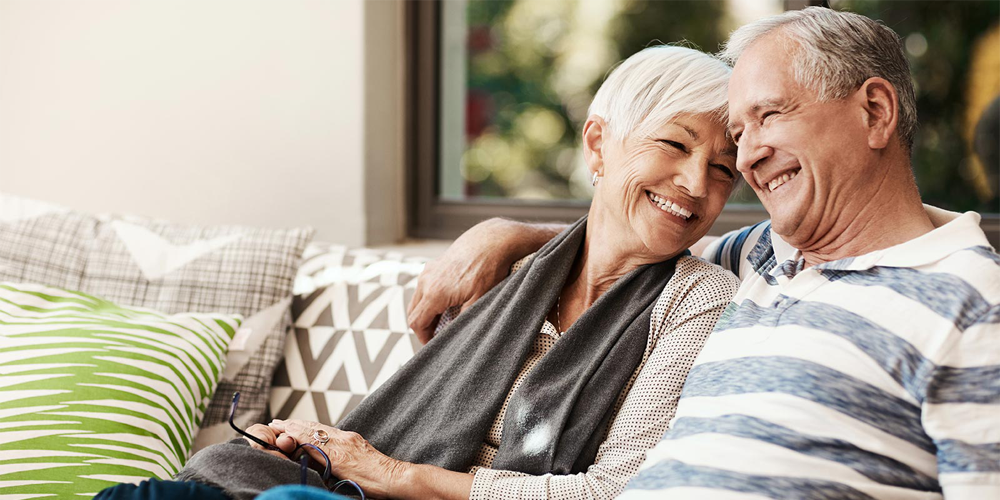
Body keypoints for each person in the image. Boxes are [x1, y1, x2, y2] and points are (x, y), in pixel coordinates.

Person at [97, 45, 742, 500]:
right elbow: (417, 423)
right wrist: (315, 448)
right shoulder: (507, 269)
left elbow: (613, 492)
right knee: (191, 480)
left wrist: (383, 473)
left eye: (723, 169)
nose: (694, 184)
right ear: (599, 144)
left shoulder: (702, 302)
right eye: (674, 144)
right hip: (351, 489)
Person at [409, 7, 1000, 500]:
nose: (745, 161)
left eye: (769, 115)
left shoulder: (973, 304)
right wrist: (506, 233)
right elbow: (635, 233)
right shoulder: (759, 256)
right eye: (739, 137)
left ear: (874, 112)